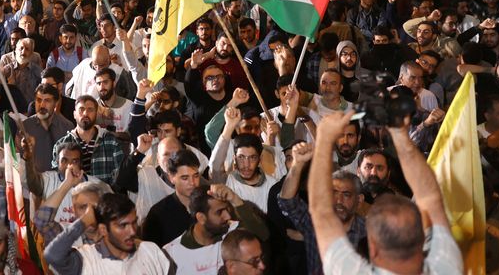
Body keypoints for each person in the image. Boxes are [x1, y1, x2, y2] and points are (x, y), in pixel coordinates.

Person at [307, 110, 462, 274]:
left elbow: (321, 211)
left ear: (372, 249)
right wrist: (400, 134)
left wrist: (323, 139)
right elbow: (430, 197)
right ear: (422, 239)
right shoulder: (447, 266)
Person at [278, 142, 366, 274]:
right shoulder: (315, 224)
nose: (338, 200)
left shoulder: (369, 232)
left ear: (359, 200)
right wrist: (298, 165)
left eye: (346, 195)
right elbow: (287, 202)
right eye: (333, 193)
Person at [44, 193, 174, 274]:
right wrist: (83, 221)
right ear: (103, 230)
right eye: (123, 226)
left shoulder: (151, 251)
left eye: (134, 222)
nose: (133, 231)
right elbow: (52, 255)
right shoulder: (86, 261)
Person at [163, 183, 270, 275]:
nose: (227, 216)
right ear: (201, 218)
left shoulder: (231, 232)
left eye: (227, 209)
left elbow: (262, 234)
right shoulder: (172, 252)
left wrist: (234, 199)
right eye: (219, 212)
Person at [52, 95, 124, 185]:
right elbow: (56, 179)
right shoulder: (62, 144)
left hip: (104, 196)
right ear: (74, 114)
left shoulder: (111, 141)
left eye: (90, 110)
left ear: (96, 114)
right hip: (72, 196)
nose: (85, 113)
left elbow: (119, 176)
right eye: (81, 109)